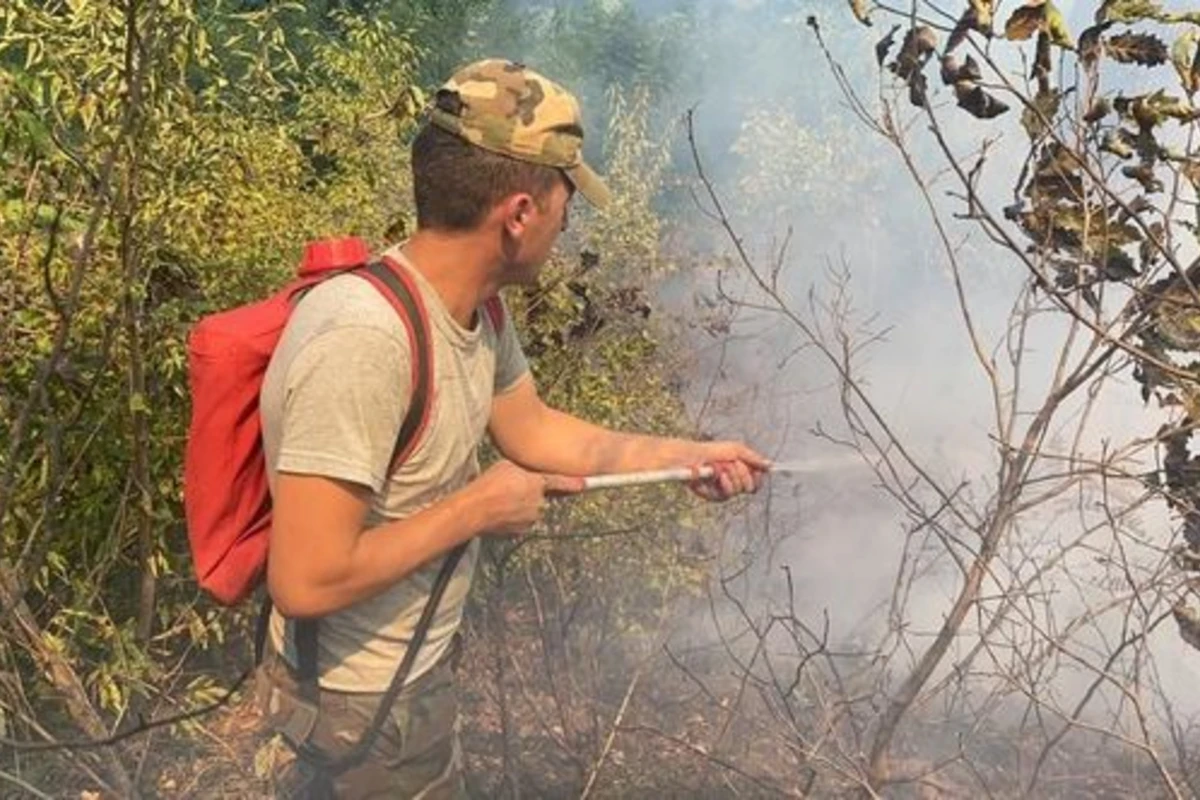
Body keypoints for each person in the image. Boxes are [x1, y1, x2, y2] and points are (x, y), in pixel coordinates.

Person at [255, 58, 768, 798]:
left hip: (409, 679)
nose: (568, 222)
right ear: (521, 212)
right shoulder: (364, 340)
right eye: (567, 202)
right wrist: (475, 508)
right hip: (356, 707)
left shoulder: (475, 309)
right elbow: (304, 579)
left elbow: (534, 432)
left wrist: (694, 457)